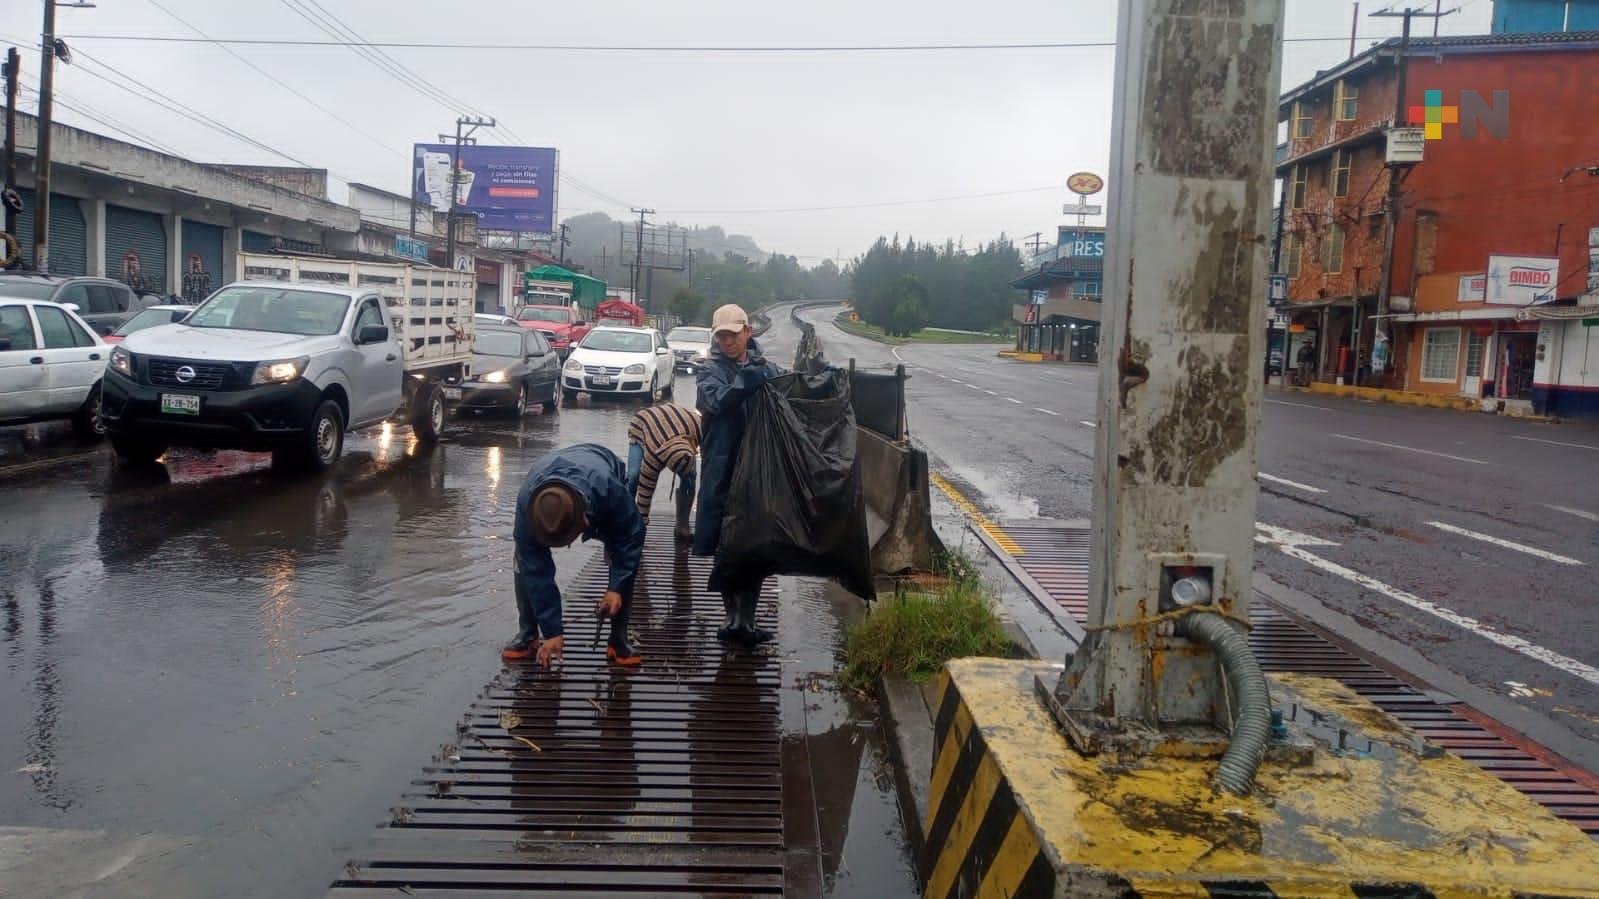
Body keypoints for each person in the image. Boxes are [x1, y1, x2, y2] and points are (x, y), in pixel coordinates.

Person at [503, 443, 645, 668]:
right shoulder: (527, 505)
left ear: (584, 521)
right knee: (523, 561)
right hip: (549, 471)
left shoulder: (609, 489)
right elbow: (535, 567)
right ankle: (528, 633)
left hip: (599, 463)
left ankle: (618, 639)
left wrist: (616, 588)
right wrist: (552, 632)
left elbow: (632, 536)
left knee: (620, 552)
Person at [694, 303, 786, 646]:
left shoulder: (767, 367)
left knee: (755, 545)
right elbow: (716, 401)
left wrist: (820, 378)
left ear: (747, 331)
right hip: (722, 470)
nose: (728, 342)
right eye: (722, 336)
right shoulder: (710, 371)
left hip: (759, 472)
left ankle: (747, 620)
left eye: (733, 335)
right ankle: (731, 618)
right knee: (725, 544)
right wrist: (746, 381)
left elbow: (791, 387)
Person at [624, 403, 702, 542]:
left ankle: (682, 526)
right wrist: (642, 523)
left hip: (680, 425)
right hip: (643, 424)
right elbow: (645, 491)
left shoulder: (698, 426)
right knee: (634, 476)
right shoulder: (653, 456)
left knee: (690, 477)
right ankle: (626, 522)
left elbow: (713, 447)